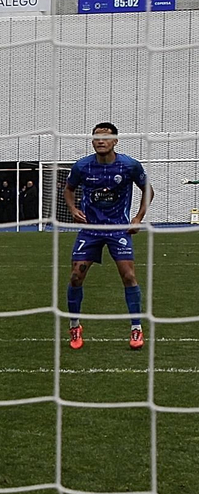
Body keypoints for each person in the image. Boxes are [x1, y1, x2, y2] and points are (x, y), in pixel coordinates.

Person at [64, 122, 151, 351]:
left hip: (118, 230)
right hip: (90, 230)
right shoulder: (82, 166)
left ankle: (136, 328)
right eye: (96, 138)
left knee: (129, 276)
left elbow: (148, 190)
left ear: (115, 141)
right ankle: (74, 326)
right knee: (76, 277)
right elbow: (68, 189)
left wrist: (138, 218)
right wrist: (73, 209)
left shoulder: (129, 165)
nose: (101, 141)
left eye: (106, 137)